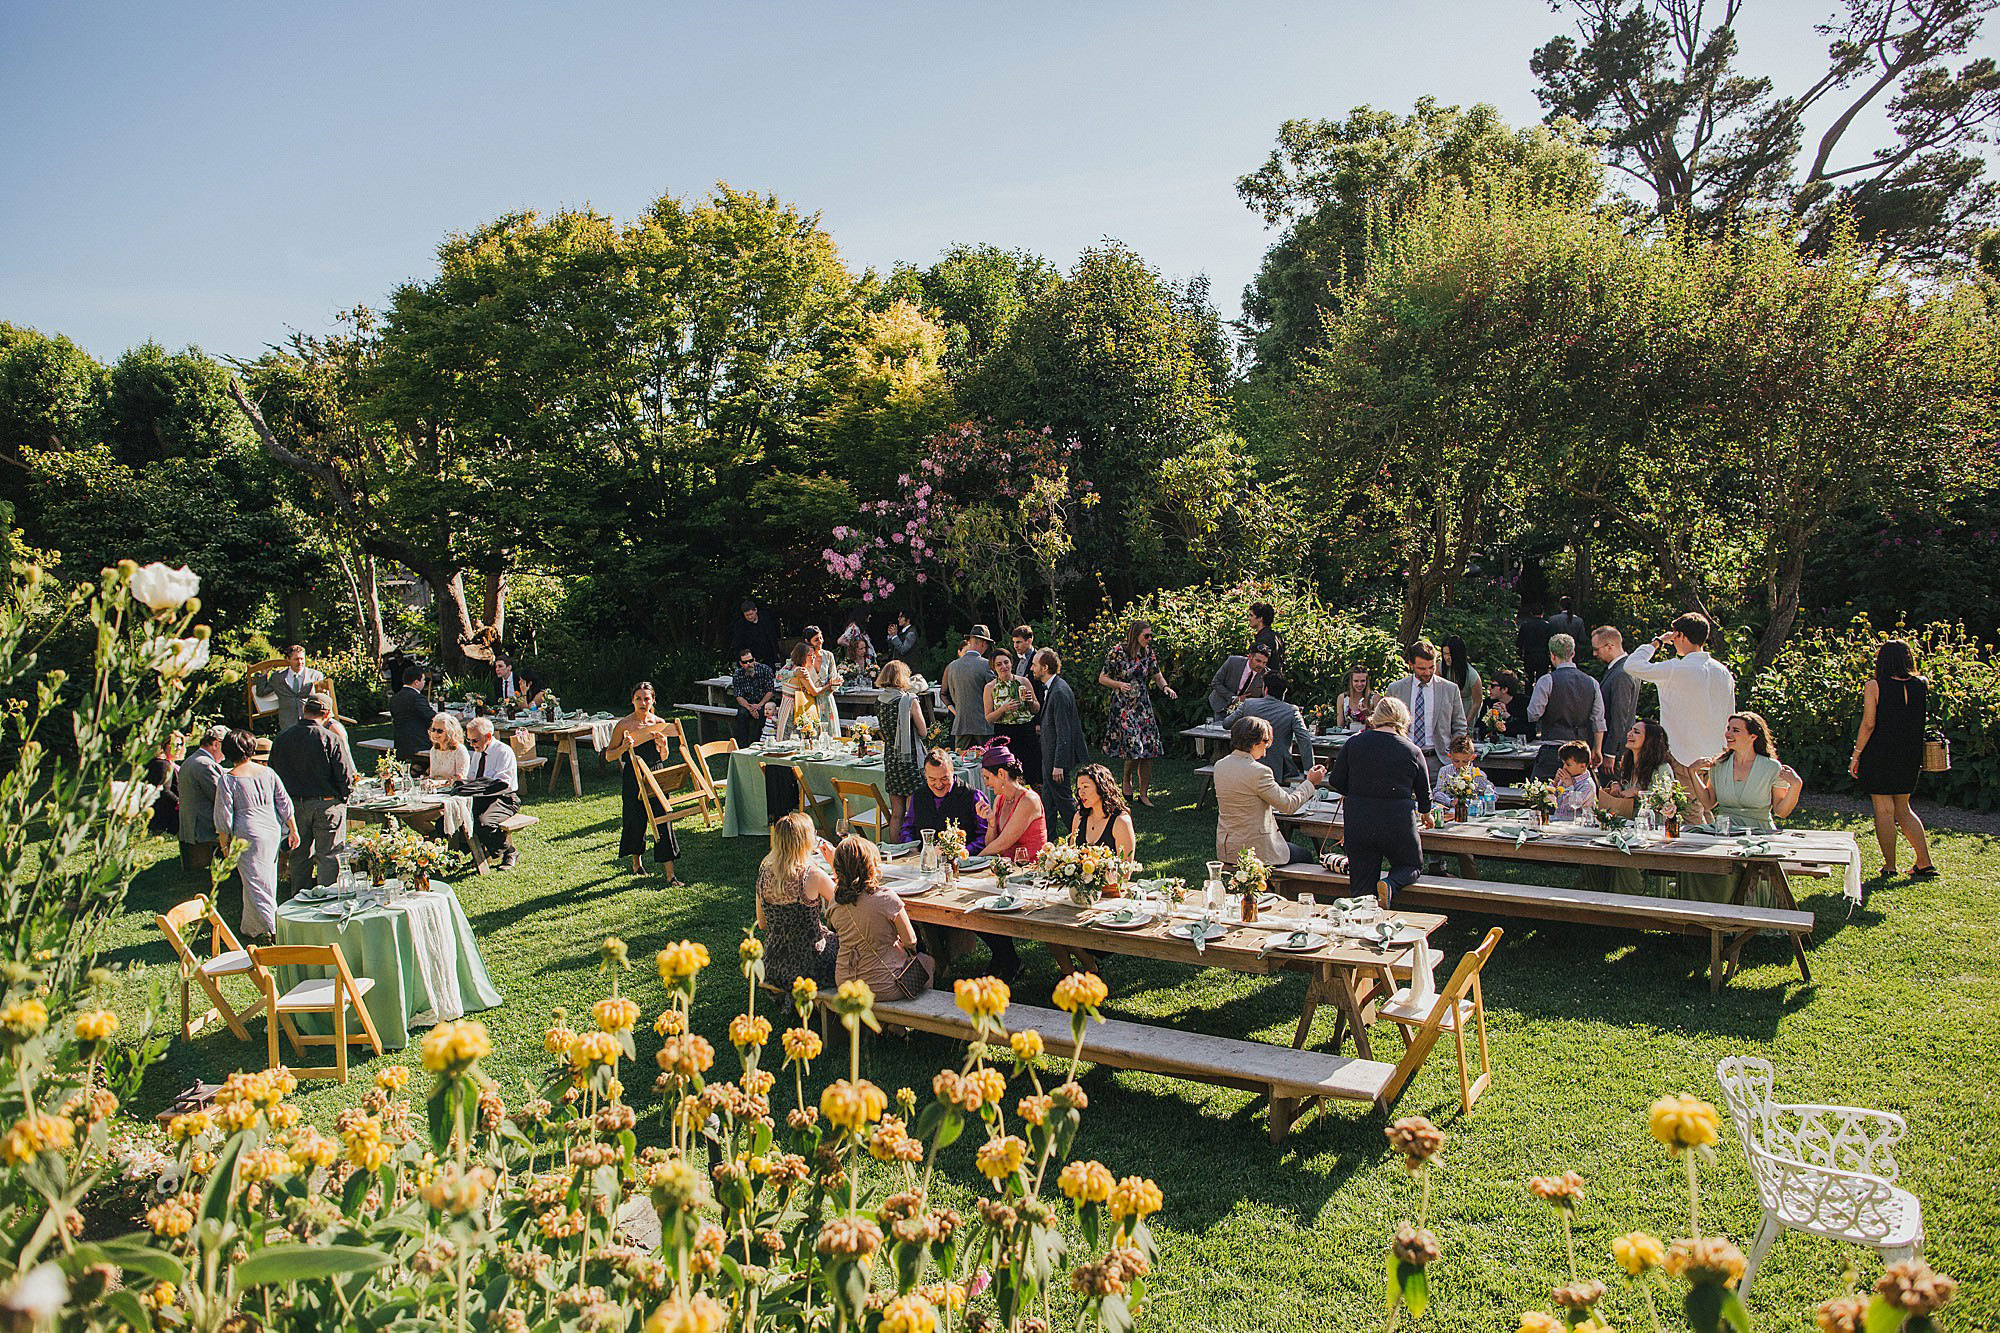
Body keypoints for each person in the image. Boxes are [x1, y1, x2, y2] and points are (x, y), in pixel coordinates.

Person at [1682, 712, 1802, 903]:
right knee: (1693, 860)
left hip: (1758, 832)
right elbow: (1709, 802)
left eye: (1736, 730)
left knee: (1741, 867)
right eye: (1728, 729)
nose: (1728, 733)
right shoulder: (1719, 765)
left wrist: (1796, 786)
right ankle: (1699, 914)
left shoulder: (1771, 767)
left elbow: (1781, 811)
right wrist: (1692, 773)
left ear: (1753, 736)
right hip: (1723, 831)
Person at [1849, 638, 1937, 879]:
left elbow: (1868, 724)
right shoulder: (1922, 683)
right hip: (1909, 754)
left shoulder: (1875, 686)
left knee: (1884, 810)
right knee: (1904, 808)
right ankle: (1924, 861)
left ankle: (1890, 865)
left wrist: (1856, 755)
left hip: (1880, 752)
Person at [1328, 698, 1430, 898]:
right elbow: (1424, 792)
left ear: (1376, 717)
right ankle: (1390, 883)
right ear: (1403, 719)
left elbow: (1336, 780)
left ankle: (1359, 919)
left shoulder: (1354, 743)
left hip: (1359, 819)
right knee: (1410, 865)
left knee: (1361, 882)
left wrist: (1356, 791)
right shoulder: (1412, 750)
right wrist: (1426, 813)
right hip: (1398, 820)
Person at [1623, 612, 1737, 778]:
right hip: (1715, 758)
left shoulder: (1675, 668)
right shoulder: (1723, 672)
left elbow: (1632, 665)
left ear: (1680, 635)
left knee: (1680, 804)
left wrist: (1658, 641)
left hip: (1681, 756)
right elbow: (1730, 715)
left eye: (1675, 636)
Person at [213, 729, 298, 944]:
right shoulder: (268, 772)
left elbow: (224, 817)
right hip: (271, 830)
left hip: (247, 834)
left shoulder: (228, 779)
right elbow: (284, 803)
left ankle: (276, 930)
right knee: (265, 880)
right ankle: (250, 927)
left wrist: (224, 846)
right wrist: (293, 829)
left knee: (255, 883)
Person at [267, 695, 356, 895]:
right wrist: (343, 798)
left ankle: (299, 899)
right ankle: (328, 897)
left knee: (299, 854)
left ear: (304, 711)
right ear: (325, 714)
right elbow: (345, 775)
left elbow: (272, 774)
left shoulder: (281, 738)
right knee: (329, 855)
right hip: (326, 804)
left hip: (294, 805)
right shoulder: (330, 738)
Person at [1214, 714, 1327, 867]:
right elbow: (1288, 806)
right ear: (1254, 743)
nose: (1266, 750)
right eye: (1265, 744)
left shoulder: (1220, 766)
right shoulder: (1259, 771)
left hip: (1228, 848)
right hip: (1255, 850)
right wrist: (1310, 782)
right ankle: (1290, 890)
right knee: (1305, 855)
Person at [828, 836, 934, 999]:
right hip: (885, 984)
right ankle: (917, 1017)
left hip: (846, 982)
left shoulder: (835, 901)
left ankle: (892, 1024)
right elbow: (911, 941)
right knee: (927, 962)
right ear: (870, 864)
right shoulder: (886, 898)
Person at [1586, 719, 1676, 896]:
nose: (1630, 734)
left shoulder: (1662, 768)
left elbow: (1664, 800)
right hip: (1623, 822)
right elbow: (1622, 789)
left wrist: (1637, 792)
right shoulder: (1628, 763)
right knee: (1590, 852)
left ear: (1649, 740)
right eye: (1631, 730)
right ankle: (1597, 895)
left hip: (1649, 828)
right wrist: (1615, 785)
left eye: (1636, 732)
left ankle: (1629, 893)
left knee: (1623, 853)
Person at [605, 682, 681, 884]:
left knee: (663, 818)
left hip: (657, 774)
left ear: (653, 700)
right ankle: (637, 864)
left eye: (647, 698)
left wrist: (663, 745)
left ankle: (670, 874)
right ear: (632, 700)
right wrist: (623, 748)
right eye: (638, 698)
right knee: (634, 819)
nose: (643, 702)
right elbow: (608, 756)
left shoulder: (659, 722)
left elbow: (663, 756)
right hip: (633, 776)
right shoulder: (624, 725)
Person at [755, 812, 837, 991]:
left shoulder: (764, 872)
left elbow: (762, 923)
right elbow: (844, 902)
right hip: (811, 966)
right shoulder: (812, 875)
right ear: (805, 840)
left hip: (774, 965)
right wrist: (834, 866)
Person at [1099, 620, 1176, 807]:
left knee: (1148, 750)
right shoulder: (1117, 652)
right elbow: (1102, 678)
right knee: (1134, 748)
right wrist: (1119, 684)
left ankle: (1143, 794)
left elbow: (1157, 674)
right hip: (1124, 706)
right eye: (1146, 636)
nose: (1149, 639)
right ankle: (1126, 780)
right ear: (1135, 635)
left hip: (1142, 706)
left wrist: (1165, 687)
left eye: (1151, 635)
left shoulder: (1148, 653)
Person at [1527, 633, 1607, 778]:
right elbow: (1598, 720)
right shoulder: (1591, 682)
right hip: (1581, 751)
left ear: (1552, 655)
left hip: (1553, 749)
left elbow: (1533, 714)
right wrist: (1597, 749)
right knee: (1579, 796)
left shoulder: (1547, 681)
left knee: (1544, 795)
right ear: (1573, 653)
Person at [1384, 641, 1467, 777]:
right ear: (1411, 664)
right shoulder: (1396, 689)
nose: (1427, 673)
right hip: (1403, 758)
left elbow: (1459, 725)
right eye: (1422, 669)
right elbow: (1386, 726)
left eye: (1431, 667)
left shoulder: (1450, 689)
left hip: (1439, 760)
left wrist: (1456, 756)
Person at [1032, 648, 1088, 835]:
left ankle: (1082, 835)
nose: (1032, 668)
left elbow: (1065, 733)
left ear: (1045, 667)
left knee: (1064, 802)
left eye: (1035, 665)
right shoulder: (1053, 688)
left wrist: (1059, 765)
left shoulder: (1059, 692)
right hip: (1049, 756)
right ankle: (1047, 838)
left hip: (1056, 760)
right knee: (1048, 800)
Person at [1226, 673, 1314, 784]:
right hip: (1280, 769)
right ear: (1284, 692)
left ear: (1266, 689)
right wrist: (1308, 770)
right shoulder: (1291, 711)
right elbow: (1304, 739)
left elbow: (1227, 723)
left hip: (1246, 764)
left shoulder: (1248, 704)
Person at [875, 661, 929, 838]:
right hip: (910, 758)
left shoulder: (879, 701)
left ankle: (895, 850)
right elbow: (923, 732)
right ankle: (915, 848)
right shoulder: (909, 701)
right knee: (914, 812)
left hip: (890, 757)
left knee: (896, 814)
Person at [462, 717, 523, 870]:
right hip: (483, 796)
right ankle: (480, 852)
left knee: (485, 822)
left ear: (488, 737)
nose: (471, 744)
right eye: (468, 740)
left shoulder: (503, 752)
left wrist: (478, 788)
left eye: (474, 741)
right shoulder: (478, 752)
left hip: (505, 798)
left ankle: (510, 851)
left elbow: (502, 784)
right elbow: (472, 777)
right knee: (459, 817)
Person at [901, 749, 988, 849]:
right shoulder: (919, 795)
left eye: (944, 778)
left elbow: (985, 836)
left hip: (961, 861)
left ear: (953, 771)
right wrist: (910, 847)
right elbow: (908, 829)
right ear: (925, 774)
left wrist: (962, 852)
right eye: (932, 779)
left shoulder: (973, 796)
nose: (939, 785)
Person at [978, 743, 1047, 865]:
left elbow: (1003, 843)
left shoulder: (1028, 800)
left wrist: (974, 860)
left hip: (1029, 871)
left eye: (987, 778)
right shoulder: (999, 799)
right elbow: (991, 845)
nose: (986, 784)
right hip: (1007, 870)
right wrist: (992, 823)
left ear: (1001, 774)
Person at [982, 649, 1041, 784]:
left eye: (1006, 662)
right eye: (999, 664)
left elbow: (1036, 709)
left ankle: (1034, 800)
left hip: (1026, 731)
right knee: (1009, 774)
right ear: (994, 667)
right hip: (1004, 733)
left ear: (1011, 663)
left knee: (1032, 771)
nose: (1004, 667)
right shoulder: (990, 687)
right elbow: (989, 718)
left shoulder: (1024, 681)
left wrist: (1031, 701)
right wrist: (1003, 709)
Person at [178, 725, 228, 870]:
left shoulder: (193, 759)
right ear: (216, 744)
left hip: (191, 824)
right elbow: (221, 797)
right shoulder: (205, 764)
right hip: (203, 827)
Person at [1592, 627, 1639, 778]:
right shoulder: (1625, 668)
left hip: (1617, 751)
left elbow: (1620, 715)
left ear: (1610, 646)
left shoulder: (1622, 673)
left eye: (1596, 649)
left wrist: (1610, 752)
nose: (1594, 654)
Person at [943, 626, 997, 747]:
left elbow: (951, 694)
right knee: (987, 762)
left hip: (961, 725)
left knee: (960, 762)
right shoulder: (986, 665)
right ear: (983, 643)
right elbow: (995, 693)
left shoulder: (952, 666)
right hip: (983, 725)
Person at [1071, 763, 1137, 859]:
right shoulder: (1079, 817)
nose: (1081, 793)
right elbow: (1070, 856)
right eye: (1079, 788)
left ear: (1101, 786)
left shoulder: (1121, 821)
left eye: (1085, 786)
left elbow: (1125, 868)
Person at [794, 627, 842, 737]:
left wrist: (835, 683)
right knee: (811, 734)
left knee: (830, 733)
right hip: (809, 700)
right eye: (816, 639)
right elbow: (786, 674)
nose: (820, 641)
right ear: (807, 641)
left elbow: (833, 679)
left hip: (826, 699)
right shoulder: (802, 656)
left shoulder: (828, 656)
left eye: (821, 638)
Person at [268, 644, 328, 732]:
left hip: (311, 723)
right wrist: (262, 675)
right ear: (288, 659)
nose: (300, 662)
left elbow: (324, 699)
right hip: (287, 724)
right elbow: (262, 692)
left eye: (302, 659)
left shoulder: (316, 676)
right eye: (296, 659)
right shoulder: (278, 677)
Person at [391, 665, 438, 770]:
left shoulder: (395, 697)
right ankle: (424, 769)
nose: (424, 683)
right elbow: (432, 718)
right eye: (423, 680)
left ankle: (417, 768)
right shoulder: (417, 698)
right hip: (418, 742)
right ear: (416, 682)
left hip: (400, 741)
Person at [1206, 644, 1269, 719]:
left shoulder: (1266, 674)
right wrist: (1234, 698)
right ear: (1250, 657)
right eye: (1258, 661)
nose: (1261, 665)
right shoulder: (1233, 662)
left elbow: (1264, 698)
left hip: (1245, 712)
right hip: (1222, 705)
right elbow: (1216, 682)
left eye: (1264, 663)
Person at [730, 649, 778, 748]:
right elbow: (738, 695)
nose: (749, 664)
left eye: (751, 661)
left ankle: (758, 743)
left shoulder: (765, 670)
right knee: (742, 714)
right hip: (747, 703)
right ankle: (742, 746)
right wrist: (750, 708)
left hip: (763, 701)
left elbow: (770, 691)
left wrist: (759, 705)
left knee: (763, 713)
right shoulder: (738, 674)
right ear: (740, 663)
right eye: (745, 662)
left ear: (754, 660)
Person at [1437, 735, 1495, 809]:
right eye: (1456, 761)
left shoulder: (1479, 774)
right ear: (1450, 756)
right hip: (1451, 810)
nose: (1461, 765)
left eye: (1465, 761)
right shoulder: (1444, 771)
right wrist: (1450, 802)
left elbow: (1492, 794)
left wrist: (1477, 801)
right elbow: (1438, 793)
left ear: (1473, 758)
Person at [146, 733, 182, 837]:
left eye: (180, 744)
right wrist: (180, 803)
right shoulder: (162, 765)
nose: (179, 748)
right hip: (168, 818)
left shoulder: (168, 763)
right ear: (164, 745)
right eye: (175, 745)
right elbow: (164, 791)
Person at [1440, 637, 1482, 726]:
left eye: (1450, 654)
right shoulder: (1440, 668)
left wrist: (1465, 723)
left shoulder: (1472, 675)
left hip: (1466, 711)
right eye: (1444, 654)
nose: (1447, 657)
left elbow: (1477, 702)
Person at [1551, 741, 1598, 820]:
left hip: (1578, 826)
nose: (1564, 767)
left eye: (1568, 765)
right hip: (1558, 821)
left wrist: (1569, 786)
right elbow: (1550, 801)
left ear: (1582, 766)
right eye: (1563, 763)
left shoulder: (1587, 785)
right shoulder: (1566, 778)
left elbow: (1570, 806)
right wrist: (1554, 783)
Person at [731, 599, 783, 669]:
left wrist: (776, 653)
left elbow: (773, 637)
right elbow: (738, 644)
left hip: (769, 656)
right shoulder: (740, 626)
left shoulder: (766, 619)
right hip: (752, 659)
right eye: (747, 615)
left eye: (751, 614)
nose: (749, 617)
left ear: (755, 610)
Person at [424, 712, 472, 783]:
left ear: (450, 732)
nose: (435, 734)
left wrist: (438, 783)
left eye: (439, 731)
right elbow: (433, 776)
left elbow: (460, 779)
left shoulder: (460, 750)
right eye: (433, 730)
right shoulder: (434, 750)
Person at [1482, 671, 1530, 740]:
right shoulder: (1488, 703)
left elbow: (1528, 733)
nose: (1489, 688)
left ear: (1504, 689)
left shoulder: (1523, 703)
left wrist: (1507, 717)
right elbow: (1480, 729)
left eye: (1493, 686)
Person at [775, 642, 809, 740]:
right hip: (793, 705)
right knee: (790, 733)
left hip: (785, 703)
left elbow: (779, 676)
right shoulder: (798, 669)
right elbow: (778, 676)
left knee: (784, 731)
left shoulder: (791, 666)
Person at [1516, 603, 1553, 682]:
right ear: (1542, 613)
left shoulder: (1525, 625)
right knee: (1542, 679)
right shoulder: (1547, 626)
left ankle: (1528, 693)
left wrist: (1519, 655)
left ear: (1531, 613)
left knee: (1528, 679)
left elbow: (1519, 642)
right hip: (1543, 655)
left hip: (1529, 655)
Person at [1249, 602, 1285, 673]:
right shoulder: (1277, 636)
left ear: (1260, 618)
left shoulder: (1263, 640)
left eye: (1251, 615)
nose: (1249, 619)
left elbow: (1258, 668)